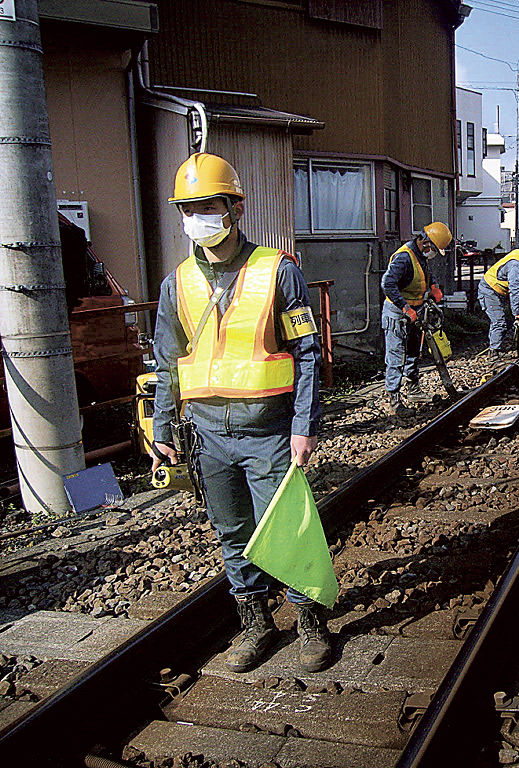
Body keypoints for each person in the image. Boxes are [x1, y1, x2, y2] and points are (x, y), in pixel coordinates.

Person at [151, 152, 330, 674]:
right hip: (208, 436)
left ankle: (310, 624)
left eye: (207, 205)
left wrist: (304, 426)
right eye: (187, 209)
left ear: (235, 207)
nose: (197, 217)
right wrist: (163, 427)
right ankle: (256, 624)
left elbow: (307, 355)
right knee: (232, 533)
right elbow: (167, 362)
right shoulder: (177, 282)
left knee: (287, 531)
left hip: (270, 431)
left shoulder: (276, 272)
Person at [380, 223, 450, 415]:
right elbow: (387, 284)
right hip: (397, 313)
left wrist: (434, 286)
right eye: (434, 249)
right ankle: (394, 400)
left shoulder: (420, 256)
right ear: (425, 242)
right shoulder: (404, 258)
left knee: (412, 352)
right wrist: (405, 307)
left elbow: (426, 275)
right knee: (396, 357)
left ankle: (413, 390)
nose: (433, 253)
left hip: (415, 312)